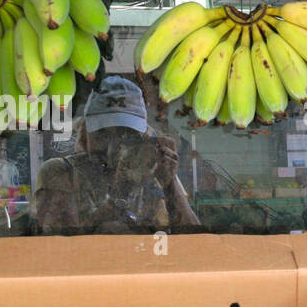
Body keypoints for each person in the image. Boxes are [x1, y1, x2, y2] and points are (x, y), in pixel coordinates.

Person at [34, 76, 200, 234]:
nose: (112, 147)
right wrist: (120, 195)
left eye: (125, 135)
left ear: (144, 138)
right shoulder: (61, 173)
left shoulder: (154, 170)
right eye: (103, 134)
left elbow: (195, 243)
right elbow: (60, 245)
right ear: (85, 133)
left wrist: (170, 183)